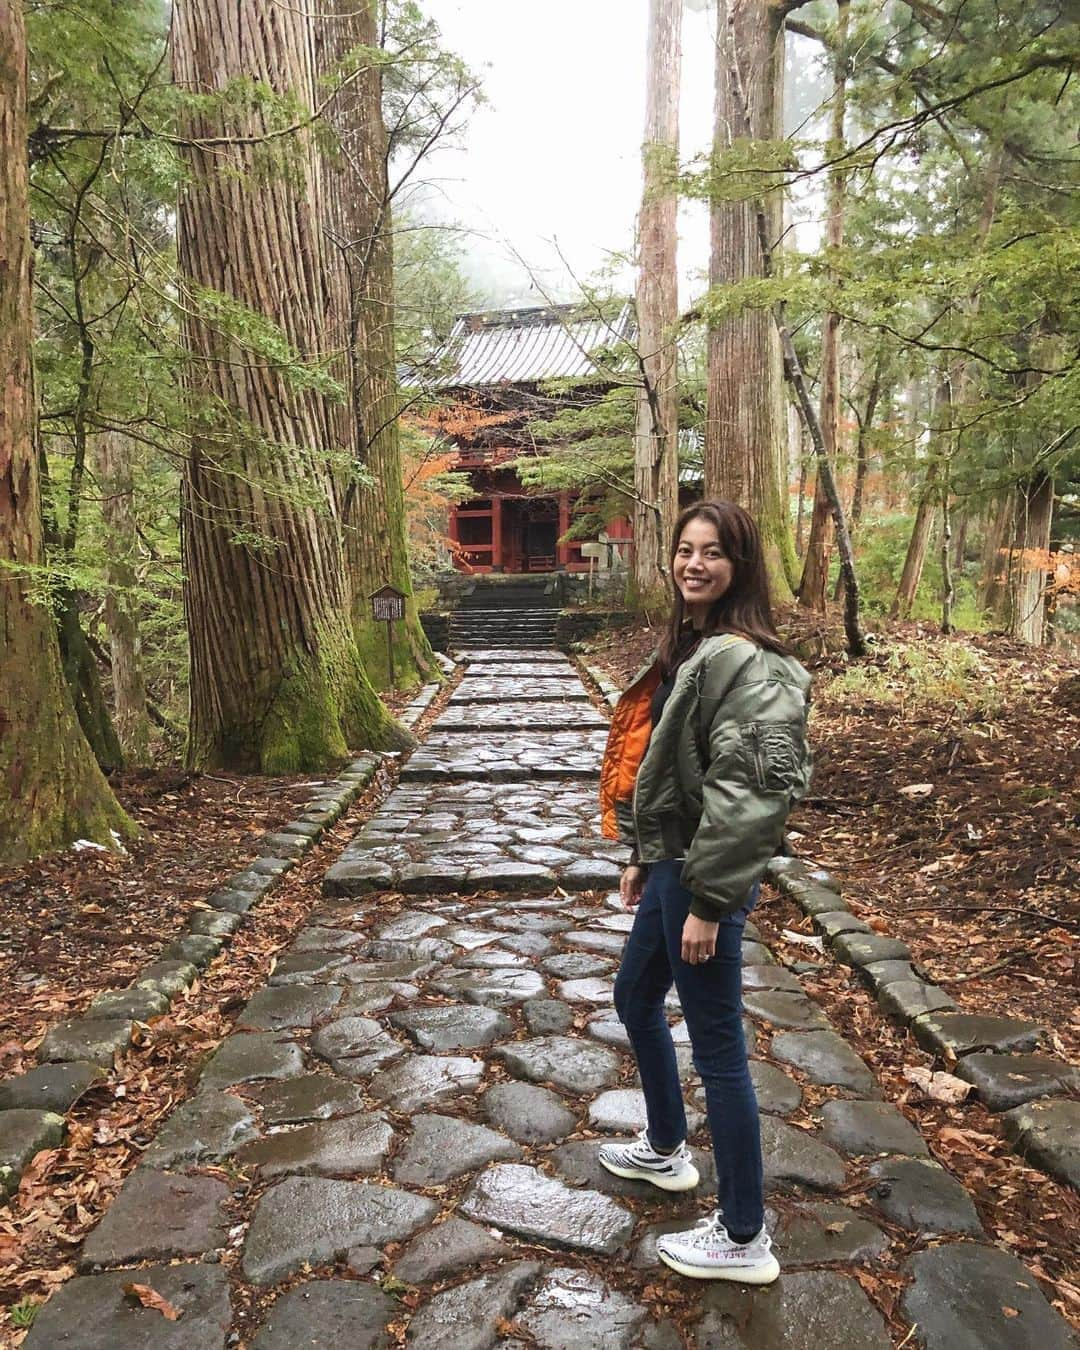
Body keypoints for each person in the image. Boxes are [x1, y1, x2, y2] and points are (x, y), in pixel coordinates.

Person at [597, 499, 812, 1284]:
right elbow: (668, 768)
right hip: (672, 866)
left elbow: (750, 792)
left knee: (720, 1050)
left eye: (714, 552)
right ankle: (662, 1146)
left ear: (742, 565)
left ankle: (744, 1234)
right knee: (633, 997)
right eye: (685, 550)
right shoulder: (695, 645)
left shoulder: (749, 663)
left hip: (702, 878)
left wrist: (711, 903)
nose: (695, 563)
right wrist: (642, 855)